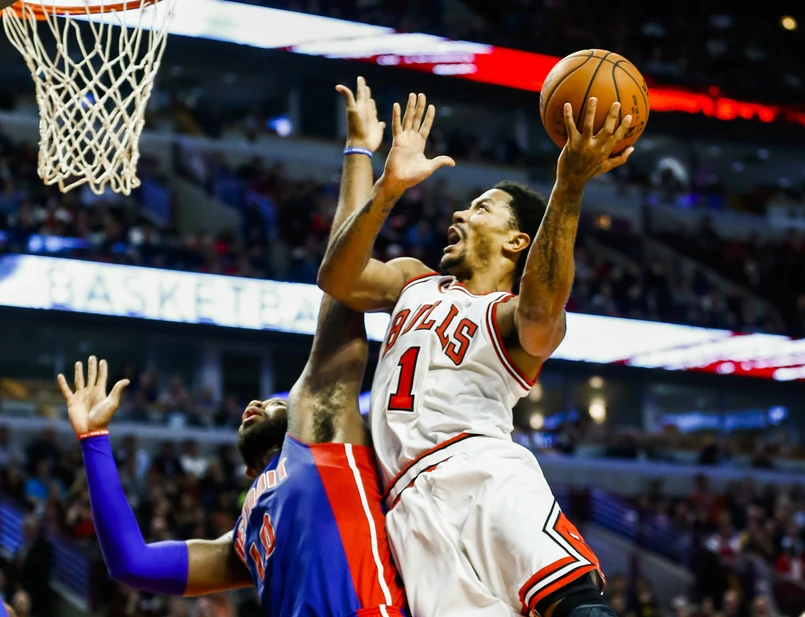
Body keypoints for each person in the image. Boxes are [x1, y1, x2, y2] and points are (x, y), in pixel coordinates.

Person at [57, 78, 407, 617]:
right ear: (246, 475)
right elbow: (132, 563)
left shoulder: (322, 433)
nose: (258, 402)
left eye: (274, 401)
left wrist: (359, 153)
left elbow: (342, 286)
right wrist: (94, 439)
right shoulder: (247, 535)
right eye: (269, 401)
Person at [318, 90, 634, 617]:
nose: (460, 213)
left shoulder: (512, 315)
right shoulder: (413, 280)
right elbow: (337, 276)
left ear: (516, 242)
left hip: (483, 470)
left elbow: (541, 310)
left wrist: (569, 184)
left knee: (577, 607)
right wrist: (382, 179)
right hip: (406, 507)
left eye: (481, 208)